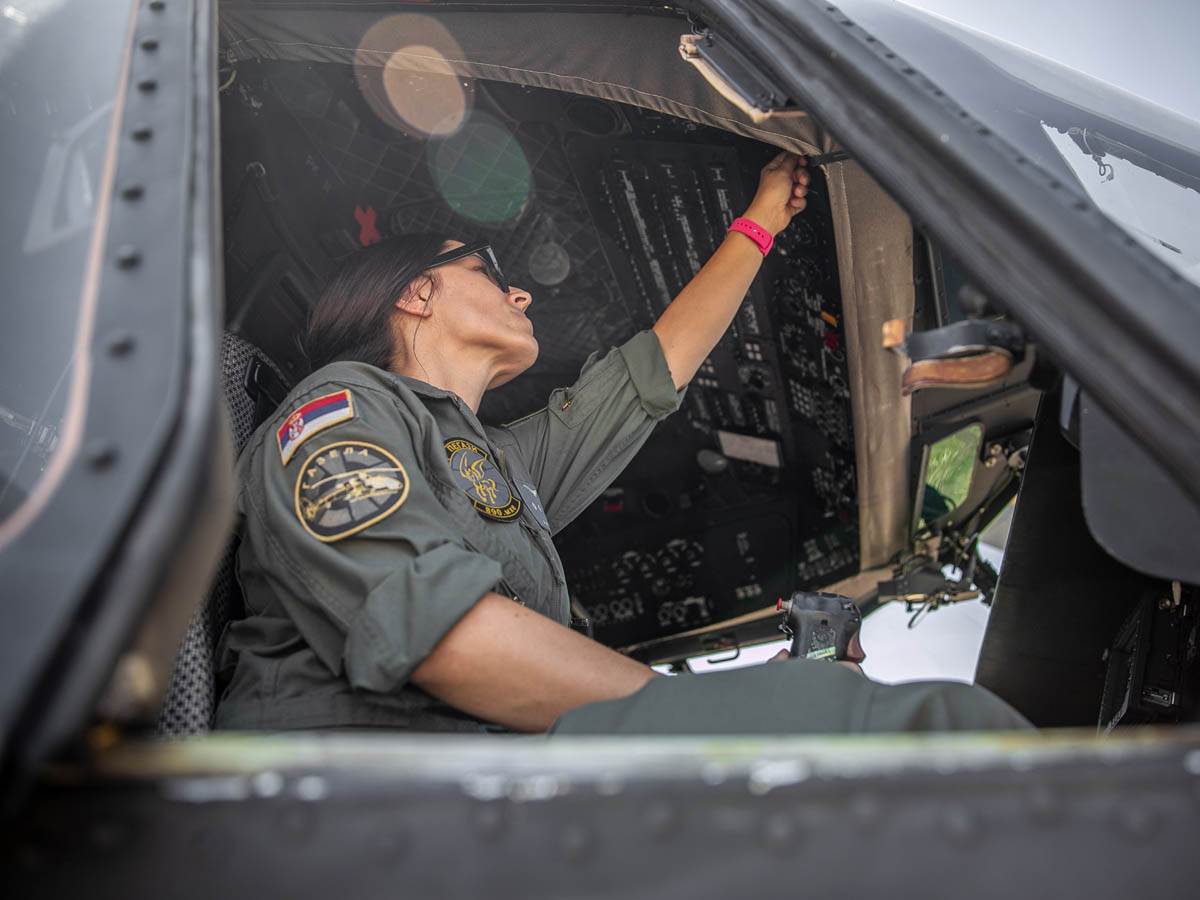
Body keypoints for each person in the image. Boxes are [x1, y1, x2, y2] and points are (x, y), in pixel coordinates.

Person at [214, 153, 1030, 735]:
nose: (521, 289)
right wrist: (707, 715)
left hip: (474, 785)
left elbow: (654, 371)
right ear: (418, 291)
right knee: (930, 731)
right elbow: (448, 639)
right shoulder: (339, 408)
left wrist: (759, 221)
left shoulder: (499, 460)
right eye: (492, 271)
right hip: (358, 793)